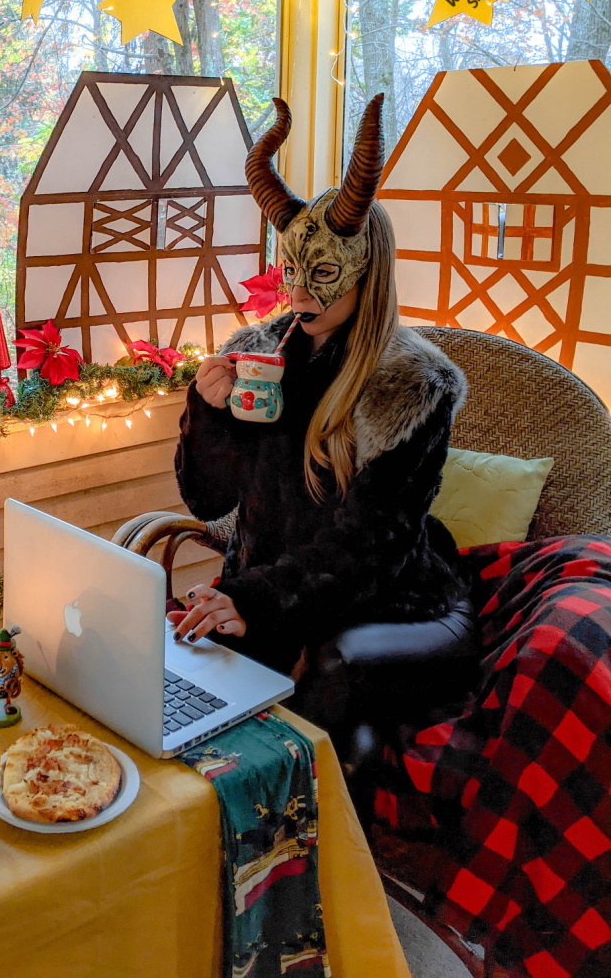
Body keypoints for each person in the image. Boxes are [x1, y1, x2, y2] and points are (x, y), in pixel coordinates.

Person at [170, 94, 469, 692]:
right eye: (289, 271)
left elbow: (366, 551)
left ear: (367, 271)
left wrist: (251, 600)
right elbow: (207, 502)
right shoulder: (262, 353)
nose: (298, 294)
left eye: (324, 274)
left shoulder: (409, 388)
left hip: (376, 601)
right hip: (269, 590)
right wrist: (208, 412)